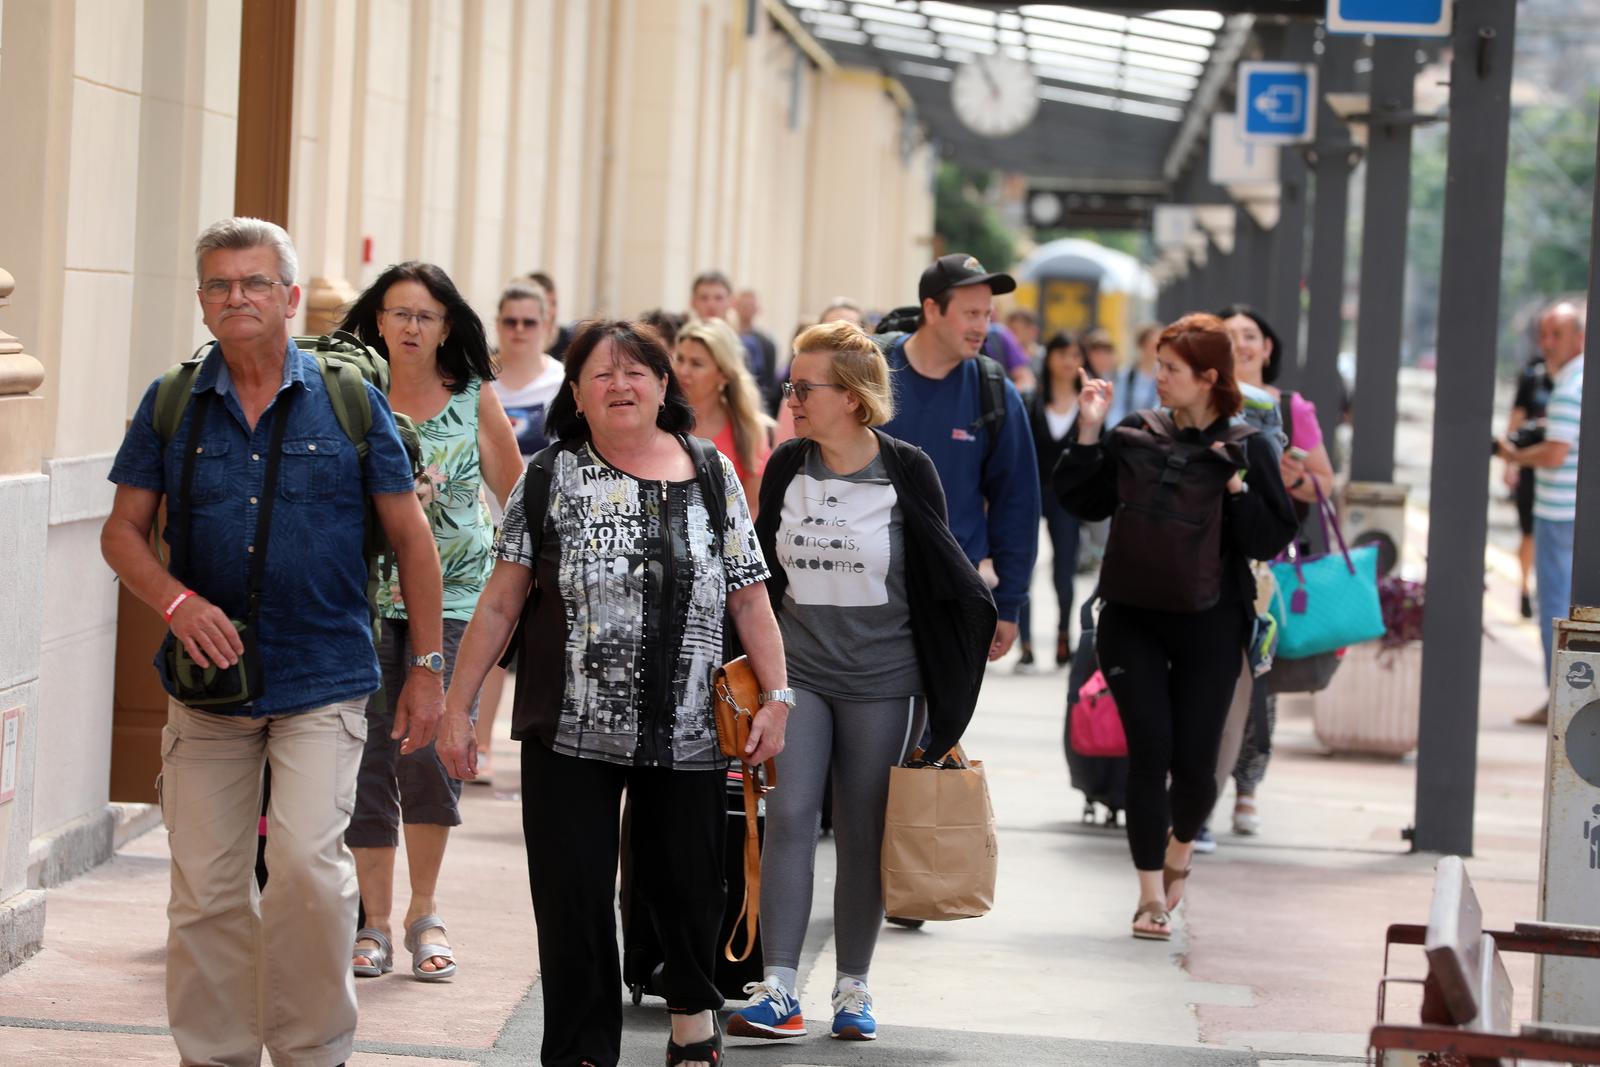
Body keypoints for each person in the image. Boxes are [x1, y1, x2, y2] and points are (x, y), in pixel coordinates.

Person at [101, 217, 440, 1066]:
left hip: (323, 677)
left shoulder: (348, 400)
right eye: (220, 284)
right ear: (202, 302)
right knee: (206, 890)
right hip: (207, 687)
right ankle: (215, 1055)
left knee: (306, 873)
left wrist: (428, 670)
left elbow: (412, 540)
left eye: (255, 282)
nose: (237, 297)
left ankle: (311, 1052)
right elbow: (122, 532)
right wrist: (176, 601)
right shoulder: (171, 401)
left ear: (289, 298)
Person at [435, 320, 790, 1067]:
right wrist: (458, 708)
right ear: (576, 392)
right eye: (602, 374)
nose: (620, 385)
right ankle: (581, 1050)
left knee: (689, 882)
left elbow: (750, 595)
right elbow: (500, 601)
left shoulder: (713, 472)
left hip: (689, 723)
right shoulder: (549, 474)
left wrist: (778, 697)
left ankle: (691, 1008)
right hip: (568, 726)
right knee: (573, 894)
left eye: (636, 372)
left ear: (664, 386)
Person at [727, 322, 995, 1043]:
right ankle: (779, 986)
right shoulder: (787, 464)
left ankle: (853, 985)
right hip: (799, 675)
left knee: (863, 829)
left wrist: (966, 652)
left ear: (850, 397)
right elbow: (761, 569)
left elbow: (939, 570)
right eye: (789, 386)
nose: (790, 400)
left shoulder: (907, 470)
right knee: (789, 816)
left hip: (886, 680)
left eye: (802, 388)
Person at [1054, 313, 1297, 941]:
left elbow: (1268, 539)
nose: (1158, 377)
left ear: (1209, 378)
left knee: (1195, 762)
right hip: (1131, 615)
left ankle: (1180, 849)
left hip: (1211, 622)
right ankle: (1148, 896)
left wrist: (1236, 487)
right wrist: (1088, 429)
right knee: (1149, 752)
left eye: (1171, 369)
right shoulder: (1136, 433)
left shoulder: (1249, 445)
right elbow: (1082, 500)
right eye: (1158, 365)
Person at [334, 263, 521, 982]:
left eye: (426, 315)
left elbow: (518, 498)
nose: (411, 327)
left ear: (447, 327)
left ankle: (424, 909)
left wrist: (518, 595)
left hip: (454, 603)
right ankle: (374, 921)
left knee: (430, 753)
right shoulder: (352, 393)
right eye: (399, 313)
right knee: (368, 756)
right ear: (377, 321)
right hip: (361, 599)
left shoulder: (474, 397)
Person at [881, 253, 1040, 665]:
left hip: (951, 594)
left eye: (987, 315)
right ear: (932, 309)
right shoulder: (872, 374)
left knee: (939, 708)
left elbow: (1017, 502)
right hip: (862, 586)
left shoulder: (995, 391)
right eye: (971, 314)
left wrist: (1010, 602)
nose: (982, 327)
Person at [1213, 304, 1336, 837]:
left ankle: (1247, 788)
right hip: (1208, 554)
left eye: (1250, 335)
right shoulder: (1201, 399)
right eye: (1229, 335)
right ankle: (1201, 794)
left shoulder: (1291, 407)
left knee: (1261, 681)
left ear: (1267, 348)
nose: (1241, 344)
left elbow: (1324, 483)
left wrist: (1291, 477)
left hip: (1268, 562)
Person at [475, 281, 565, 785]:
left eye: (529, 322)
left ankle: (501, 740)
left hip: (543, 529)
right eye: (509, 321)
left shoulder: (560, 383)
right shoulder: (478, 380)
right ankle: (478, 741)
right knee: (487, 632)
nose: (518, 331)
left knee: (517, 636)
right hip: (482, 524)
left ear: (546, 325)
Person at [1498, 300, 1585, 726]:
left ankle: (1559, 700)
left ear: (1579, 338)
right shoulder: (1582, 380)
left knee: (1554, 604)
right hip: (1573, 511)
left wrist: (1515, 455)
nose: (1546, 343)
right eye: (1543, 335)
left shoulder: (1568, 387)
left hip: (1557, 512)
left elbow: (1554, 454)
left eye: (1556, 335)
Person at [1016, 331, 1084, 674]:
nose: (1068, 362)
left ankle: (1063, 638)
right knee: (1023, 568)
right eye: (1062, 354)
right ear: (1050, 358)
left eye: (1075, 355)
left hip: (1068, 498)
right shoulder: (1032, 401)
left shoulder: (1089, 403)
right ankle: (1026, 645)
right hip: (1031, 494)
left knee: (1064, 572)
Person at [673, 316, 774, 512]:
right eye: (680, 359)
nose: (683, 371)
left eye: (696, 364)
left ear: (724, 375)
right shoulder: (660, 420)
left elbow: (752, 507)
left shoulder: (748, 429)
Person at [1505, 346, 1554, 622]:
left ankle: (1538, 589)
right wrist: (1510, 462)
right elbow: (1516, 418)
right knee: (1529, 533)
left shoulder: (1578, 379)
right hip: (1530, 468)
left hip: (1558, 472)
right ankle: (1525, 588)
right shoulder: (1533, 376)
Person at [735, 287, 781, 411]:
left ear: (757, 309)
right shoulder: (728, 336)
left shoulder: (767, 343)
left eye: (750, 305)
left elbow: (769, 380)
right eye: (743, 305)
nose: (746, 309)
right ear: (735, 306)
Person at [521, 270, 574, 362]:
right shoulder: (511, 347)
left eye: (554, 303)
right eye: (545, 304)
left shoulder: (572, 342)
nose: (551, 312)